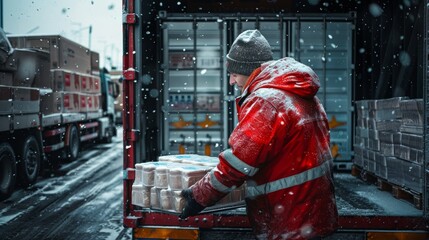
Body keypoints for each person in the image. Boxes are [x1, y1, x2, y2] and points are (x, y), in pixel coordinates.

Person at [180, 29, 338, 240]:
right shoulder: (297, 92)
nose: (231, 81)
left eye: (234, 74)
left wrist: (199, 196)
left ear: (249, 70)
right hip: (311, 211)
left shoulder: (267, 101)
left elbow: (238, 163)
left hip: (290, 218)